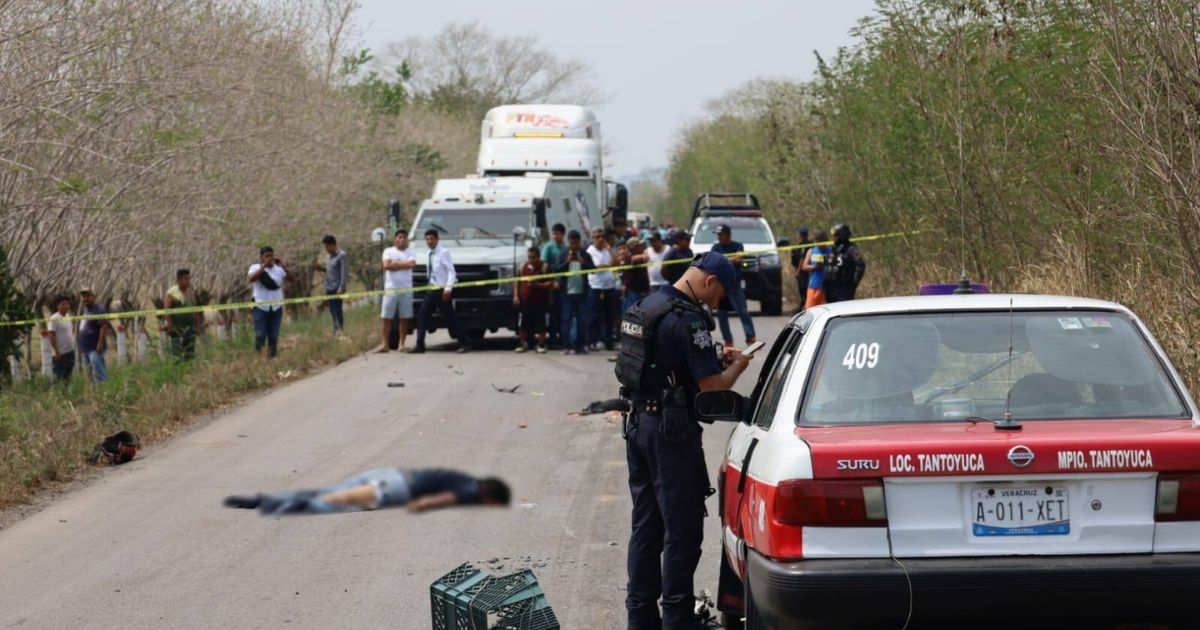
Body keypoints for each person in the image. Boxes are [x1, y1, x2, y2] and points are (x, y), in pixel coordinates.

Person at [615, 251, 754, 630]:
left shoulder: (646, 305)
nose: (719, 302)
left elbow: (661, 366)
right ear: (709, 281)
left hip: (638, 426)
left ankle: (640, 618)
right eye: (720, 294)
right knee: (683, 530)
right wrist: (738, 365)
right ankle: (677, 619)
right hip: (671, 436)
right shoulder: (689, 320)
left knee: (646, 526)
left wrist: (708, 358)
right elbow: (712, 393)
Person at [223, 468, 511, 516]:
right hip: (393, 490)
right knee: (326, 501)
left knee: (325, 494)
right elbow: (445, 498)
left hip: (391, 477)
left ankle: (265, 502)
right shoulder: (469, 491)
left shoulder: (466, 479)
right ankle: (266, 503)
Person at [414, 229, 468, 354]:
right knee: (422, 316)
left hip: (442, 290)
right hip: (431, 290)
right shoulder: (429, 253)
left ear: (437, 239)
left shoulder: (443, 253)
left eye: (432, 239)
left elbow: (451, 271)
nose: (430, 241)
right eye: (427, 239)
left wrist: (448, 289)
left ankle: (464, 343)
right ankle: (419, 344)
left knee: (450, 318)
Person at [710, 225, 757, 348]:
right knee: (722, 315)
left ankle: (750, 337)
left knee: (743, 312)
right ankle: (728, 340)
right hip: (721, 288)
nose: (719, 237)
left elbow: (739, 259)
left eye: (721, 234)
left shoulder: (738, 246)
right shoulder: (715, 247)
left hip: (735, 286)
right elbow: (715, 262)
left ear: (728, 235)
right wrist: (731, 259)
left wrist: (724, 259)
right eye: (718, 235)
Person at [555, 230, 594, 355]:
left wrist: (583, 263)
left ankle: (580, 346)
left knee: (582, 321)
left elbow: (593, 270)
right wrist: (567, 261)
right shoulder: (563, 253)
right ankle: (565, 346)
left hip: (582, 293)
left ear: (579, 242)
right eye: (572, 243)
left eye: (576, 243)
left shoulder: (585, 254)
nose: (574, 246)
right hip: (566, 294)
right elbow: (557, 270)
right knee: (566, 320)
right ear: (569, 242)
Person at [379, 229, 417, 353]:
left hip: (406, 289)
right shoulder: (388, 251)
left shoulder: (411, 252)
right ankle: (385, 344)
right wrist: (402, 264)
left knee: (404, 318)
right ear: (395, 239)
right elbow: (386, 266)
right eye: (399, 237)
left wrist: (395, 263)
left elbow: (411, 265)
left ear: (407, 240)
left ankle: (402, 344)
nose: (401, 239)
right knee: (386, 317)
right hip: (390, 289)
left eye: (404, 237)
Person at [248, 246, 287, 358]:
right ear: (261, 257)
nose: (270, 258)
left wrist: (283, 265)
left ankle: (272, 359)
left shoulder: (279, 269)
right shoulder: (255, 267)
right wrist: (264, 266)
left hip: (276, 307)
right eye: (266, 256)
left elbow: (291, 278)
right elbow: (251, 279)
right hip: (260, 307)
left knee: (274, 336)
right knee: (260, 335)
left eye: (271, 256)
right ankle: (258, 357)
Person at [586, 229, 619, 351]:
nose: (600, 239)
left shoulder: (607, 250)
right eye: (597, 236)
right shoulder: (590, 251)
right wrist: (609, 264)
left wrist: (610, 250)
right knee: (594, 316)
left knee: (609, 316)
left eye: (602, 236)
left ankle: (608, 342)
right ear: (592, 238)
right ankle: (592, 341)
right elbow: (596, 267)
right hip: (596, 287)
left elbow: (617, 263)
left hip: (609, 287)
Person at [514, 246, 553, 353]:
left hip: (540, 300)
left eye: (534, 257)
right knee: (523, 323)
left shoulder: (545, 267)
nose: (531, 260)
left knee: (541, 324)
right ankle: (523, 343)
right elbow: (517, 281)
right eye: (529, 257)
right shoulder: (523, 267)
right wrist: (516, 296)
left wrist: (538, 285)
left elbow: (550, 283)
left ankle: (541, 344)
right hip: (525, 300)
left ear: (539, 257)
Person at [164, 269, 204, 360]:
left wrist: (197, 326)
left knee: (190, 353)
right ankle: (178, 371)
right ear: (179, 280)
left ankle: (189, 372)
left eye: (189, 278)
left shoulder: (191, 292)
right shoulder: (172, 293)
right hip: (177, 329)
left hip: (190, 328)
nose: (188, 281)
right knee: (177, 354)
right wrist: (170, 327)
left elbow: (196, 310)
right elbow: (167, 311)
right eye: (185, 279)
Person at [540, 223, 568, 350]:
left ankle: (563, 340)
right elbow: (545, 267)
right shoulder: (549, 247)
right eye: (553, 233)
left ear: (563, 234)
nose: (554, 236)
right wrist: (551, 281)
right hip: (552, 286)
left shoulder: (566, 248)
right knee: (554, 315)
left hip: (564, 285)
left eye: (557, 233)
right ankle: (552, 341)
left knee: (564, 315)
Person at [314, 235, 349, 334]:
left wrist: (341, 287)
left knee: (337, 310)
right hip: (329, 287)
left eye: (327, 246)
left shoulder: (342, 255)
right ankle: (335, 329)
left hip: (337, 288)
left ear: (333, 245)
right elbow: (329, 270)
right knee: (332, 310)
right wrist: (320, 268)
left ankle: (339, 330)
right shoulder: (328, 256)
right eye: (325, 247)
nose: (326, 249)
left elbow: (343, 272)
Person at [826, 223, 867, 303]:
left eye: (835, 235)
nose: (833, 238)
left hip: (844, 288)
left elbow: (861, 265)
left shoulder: (851, 249)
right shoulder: (833, 249)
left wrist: (854, 283)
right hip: (831, 287)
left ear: (841, 236)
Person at [77, 288, 109, 383]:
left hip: (95, 347)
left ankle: (104, 393)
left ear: (93, 297)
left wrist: (100, 343)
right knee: (89, 373)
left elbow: (104, 326)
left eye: (87, 296)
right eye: (83, 296)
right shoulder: (85, 309)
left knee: (99, 372)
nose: (85, 298)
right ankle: (93, 394)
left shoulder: (99, 309)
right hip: (85, 347)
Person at [46, 296, 76, 382]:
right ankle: (58, 393)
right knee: (59, 377)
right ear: (57, 306)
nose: (66, 306)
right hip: (60, 354)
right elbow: (51, 334)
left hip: (70, 352)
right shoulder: (54, 318)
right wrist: (56, 351)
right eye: (63, 304)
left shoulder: (68, 316)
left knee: (68, 376)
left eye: (67, 304)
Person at [802, 229, 832, 309]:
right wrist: (815, 267)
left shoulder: (830, 251)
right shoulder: (811, 251)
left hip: (827, 286)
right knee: (810, 309)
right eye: (818, 240)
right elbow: (804, 266)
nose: (820, 243)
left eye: (822, 240)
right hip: (814, 285)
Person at [620, 237, 651, 314]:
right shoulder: (629, 256)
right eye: (640, 245)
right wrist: (644, 256)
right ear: (633, 248)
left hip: (644, 292)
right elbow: (635, 259)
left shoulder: (641, 254)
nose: (643, 247)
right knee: (631, 316)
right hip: (633, 293)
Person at [790, 226, 813, 306]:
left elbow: (802, 259)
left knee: (803, 290)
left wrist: (798, 271)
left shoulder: (805, 245)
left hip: (804, 272)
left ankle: (804, 305)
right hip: (805, 272)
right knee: (803, 290)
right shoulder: (802, 244)